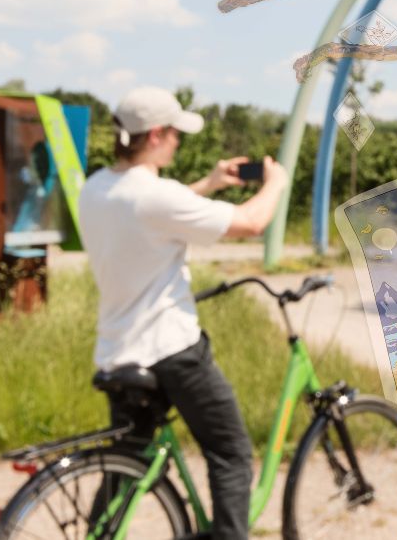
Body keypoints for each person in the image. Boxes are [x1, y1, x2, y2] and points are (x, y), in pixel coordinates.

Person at [78, 86, 288, 540]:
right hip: (171, 350)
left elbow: (149, 211)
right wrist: (276, 183)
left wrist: (210, 184)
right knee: (230, 453)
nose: (178, 141)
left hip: (118, 352)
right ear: (155, 134)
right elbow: (251, 222)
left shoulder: (96, 188)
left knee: (127, 462)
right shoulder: (156, 197)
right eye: (175, 133)